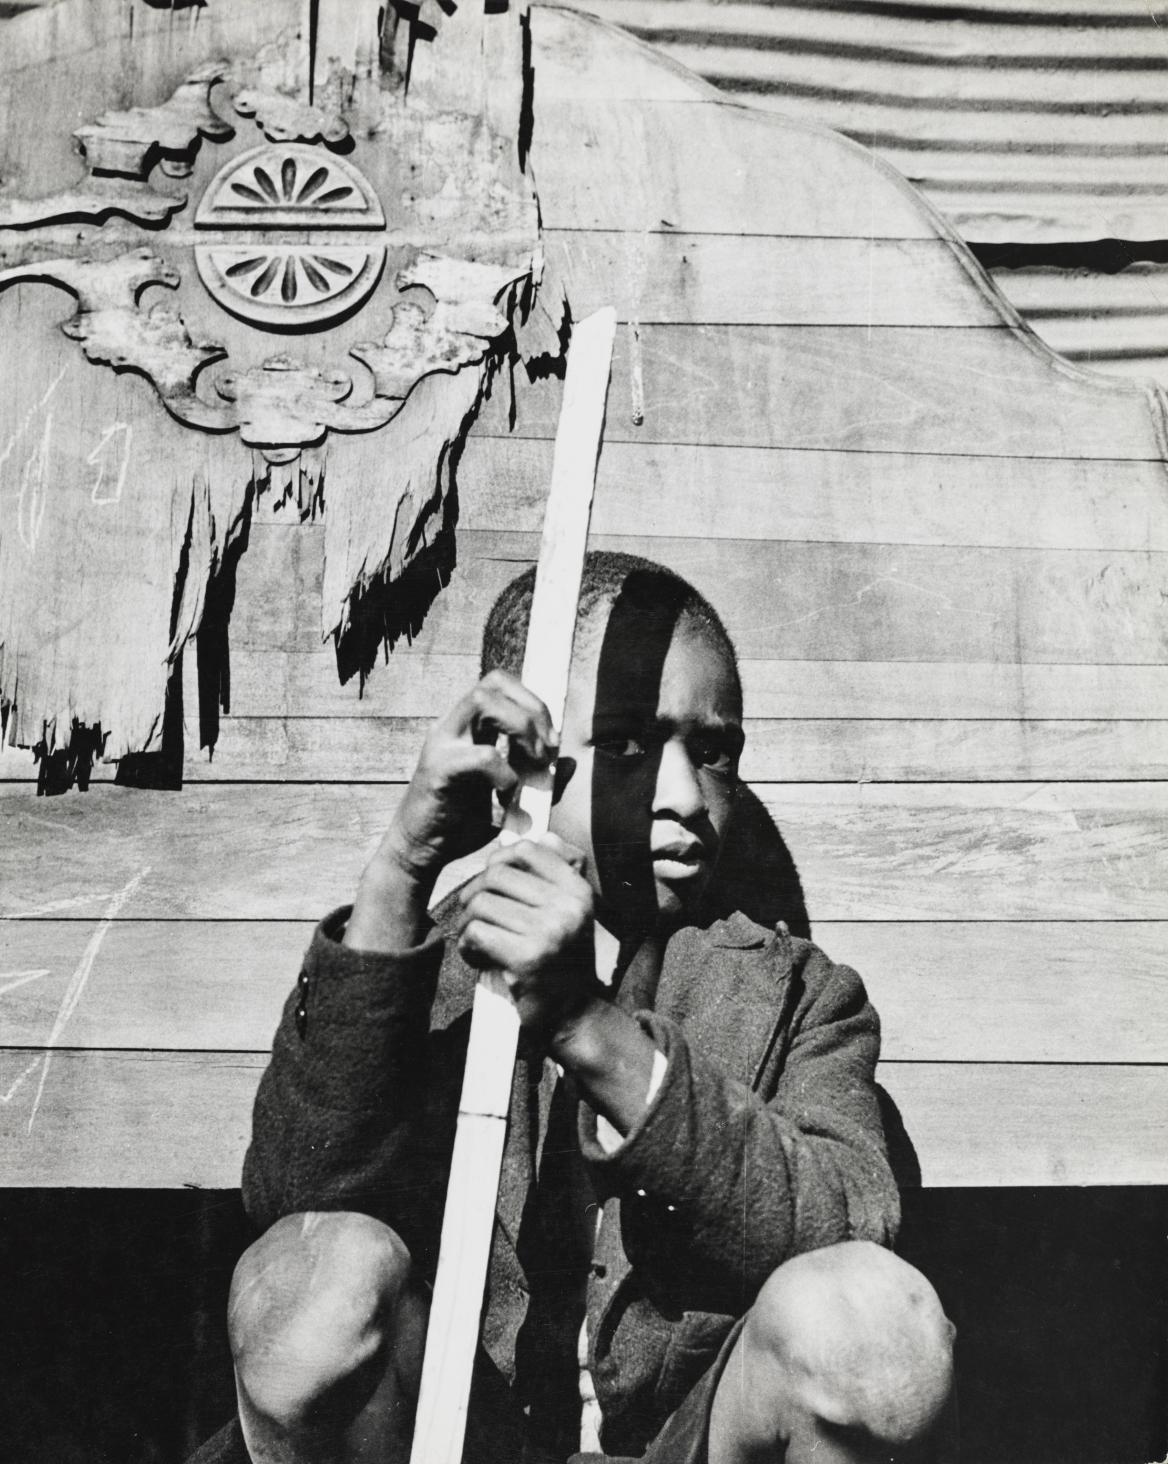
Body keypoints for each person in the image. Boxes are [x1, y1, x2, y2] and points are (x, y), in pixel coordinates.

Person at [204, 552, 954, 1464]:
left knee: (879, 1330)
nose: (686, 801)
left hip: (687, 1445)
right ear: (528, 765)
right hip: (451, 1442)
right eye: (629, 747)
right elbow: (297, 1221)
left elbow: (852, 1234)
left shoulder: (800, 993)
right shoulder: (424, 966)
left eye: (712, 753)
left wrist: (587, 1028)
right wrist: (403, 865)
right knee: (308, 1284)